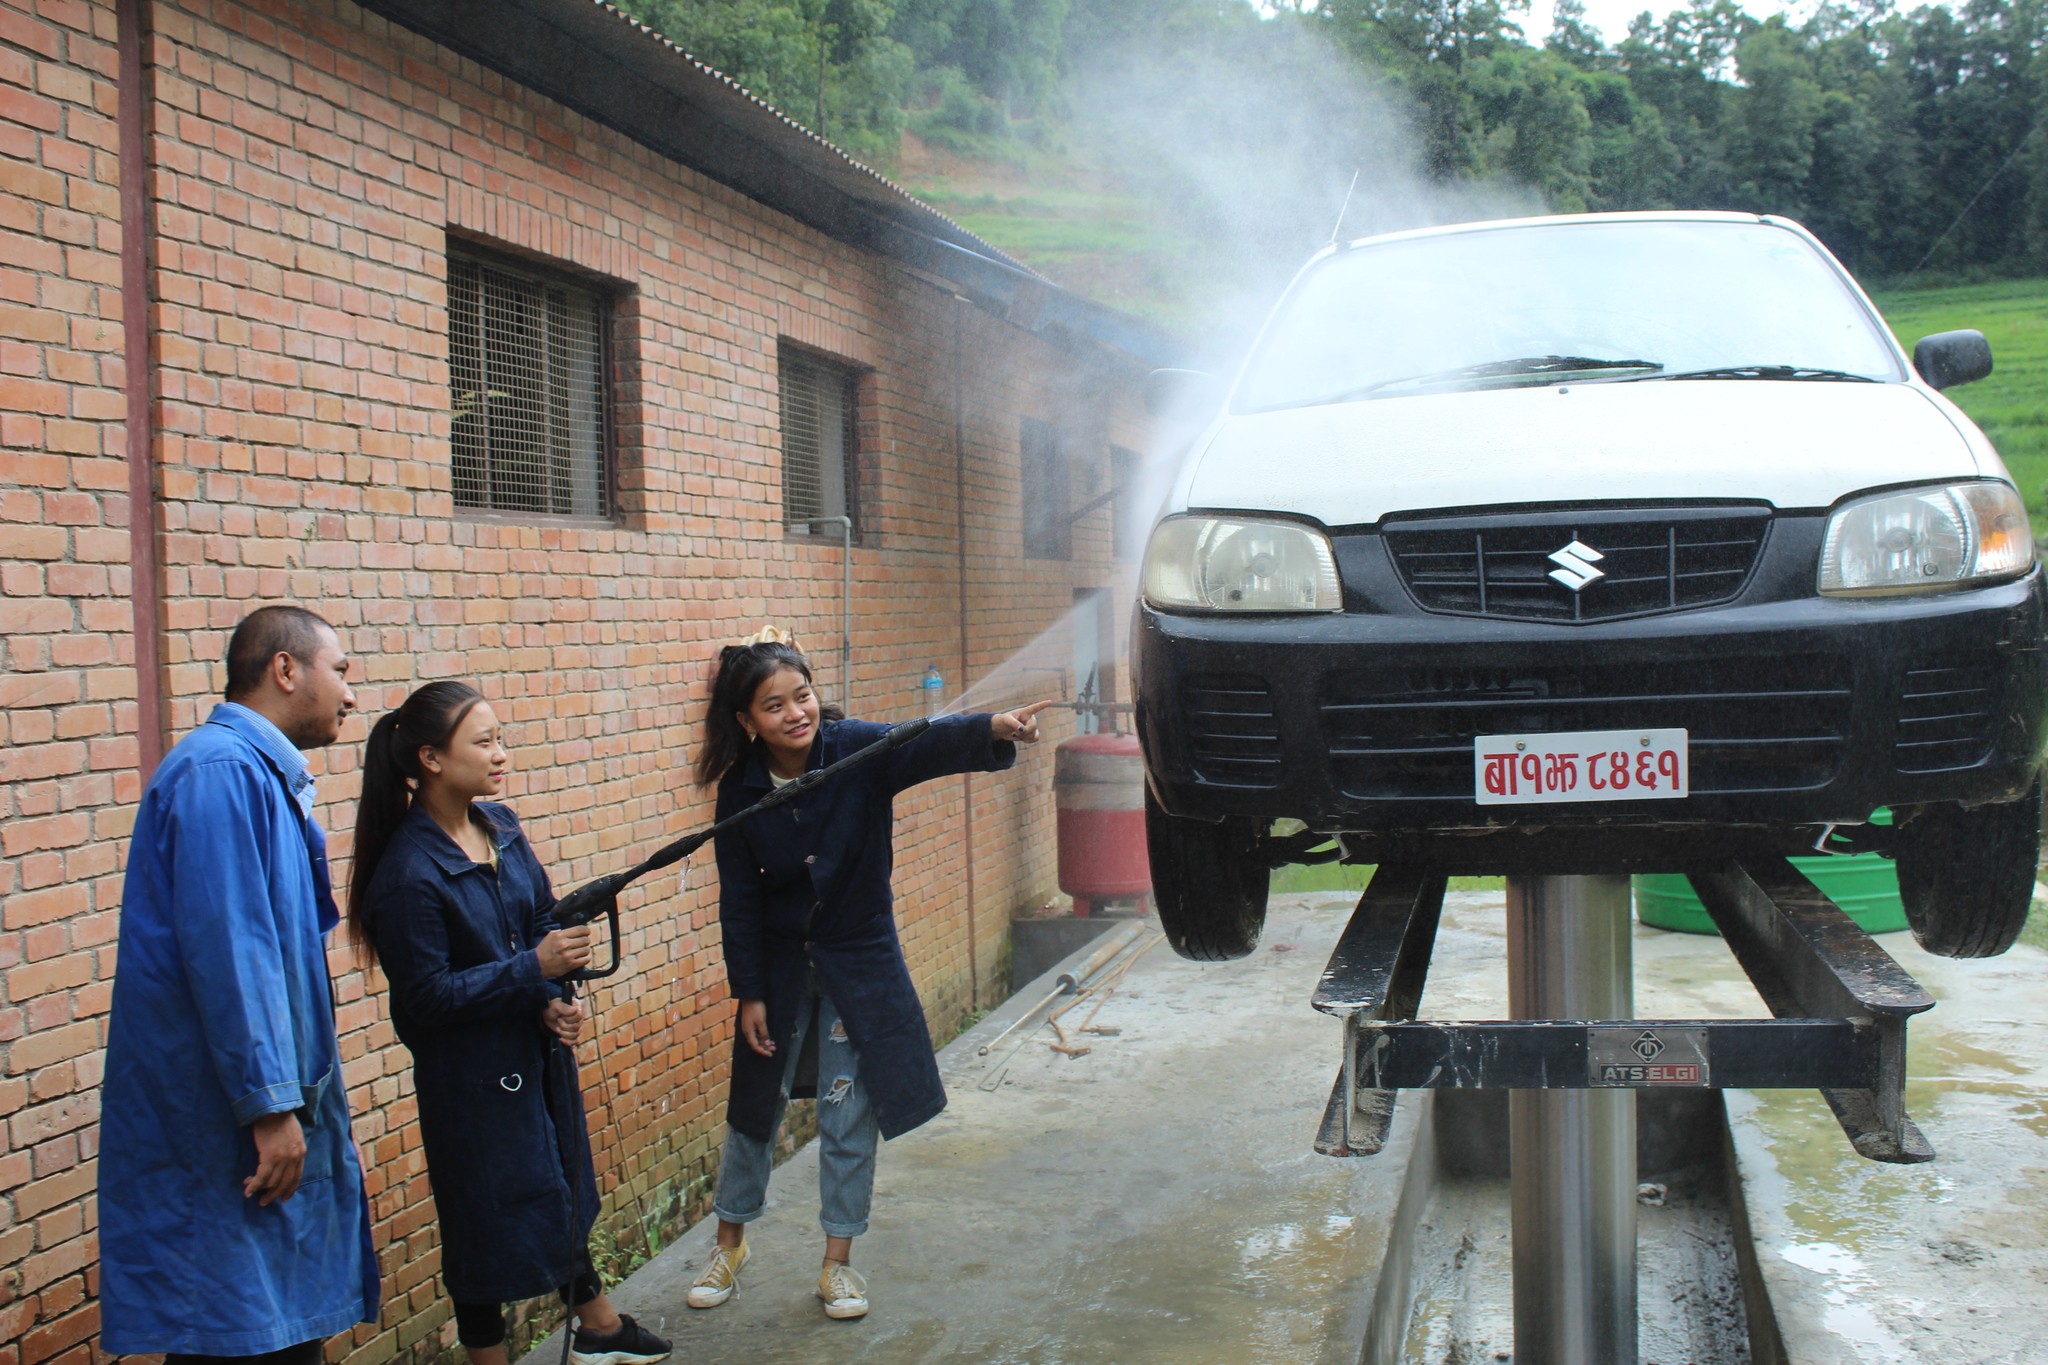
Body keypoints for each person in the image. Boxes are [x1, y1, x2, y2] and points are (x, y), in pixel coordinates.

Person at [685, 636, 1050, 1320]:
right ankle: (729, 1244)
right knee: (754, 1107)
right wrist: (750, 991)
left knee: (847, 1108)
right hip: (781, 968)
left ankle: (837, 1264)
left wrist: (994, 728)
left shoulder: (854, 748)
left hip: (859, 964)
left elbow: (924, 742)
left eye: (802, 695)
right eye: (774, 705)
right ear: (746, 719)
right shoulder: (741, 789)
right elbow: (739, 898)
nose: (796, 712)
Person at [348, 681, 671, 1365]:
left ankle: (598, 1327)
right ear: (432, 759)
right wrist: (532, 970)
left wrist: (551, 993)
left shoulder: (501, 827)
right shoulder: (407, 874)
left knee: (557, 1189)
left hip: (534, 1059)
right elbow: (426, 998)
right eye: (484, 742)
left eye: (501, 739)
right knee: (481, 1231)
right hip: (469, 1088)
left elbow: (539, 919)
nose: (501, 754)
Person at [100, 605, 381, 1363]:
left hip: (258, 1113)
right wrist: (270, 1104)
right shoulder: (220, 774)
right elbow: (232, 952)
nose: (350, 693)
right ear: (286, 670)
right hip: (229, 1123)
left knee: (272, 1331)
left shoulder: (254, 773)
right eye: (340, 671)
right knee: (234, 1335)